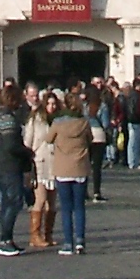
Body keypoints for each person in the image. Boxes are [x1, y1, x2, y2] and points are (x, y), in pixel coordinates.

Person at [0, 86, 29, 254]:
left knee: (8, 202)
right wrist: (26, 151)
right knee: (13, 202)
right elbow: (11, 145)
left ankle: (7, 238)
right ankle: (5, 239)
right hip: (10, 165)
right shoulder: (9, 119)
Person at [49, 92, 92, 255]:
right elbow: (90, 139)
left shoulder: (58, 123)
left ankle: (68, 243)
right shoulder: (84, 122)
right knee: (79, 206)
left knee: (66, 208)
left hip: (62, 168)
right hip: (80, 167)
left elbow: (48, 139)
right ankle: (80, 241)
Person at [25, 95, 56, 250]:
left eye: (54, 103)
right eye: (49, 103)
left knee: (52, 202)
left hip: (54, 163)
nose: (52, 106)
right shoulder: (35, 120)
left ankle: (48, 234)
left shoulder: (56, 120)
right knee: (41, 199)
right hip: (40, 162)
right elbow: (27, 142)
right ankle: (34, 235)